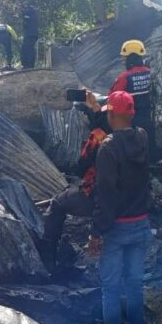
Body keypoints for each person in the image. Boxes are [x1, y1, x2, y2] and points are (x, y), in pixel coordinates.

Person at [86, 90, 152, 324]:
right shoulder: (143, 138)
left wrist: (97, 233)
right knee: (135, 286)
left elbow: (105, 196)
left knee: (110, 290)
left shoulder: (108, 149)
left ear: (112, 114)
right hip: (141, 224)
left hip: (116, 228)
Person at [41, 91, 110, 271]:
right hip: (130, 198)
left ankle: (48, 259)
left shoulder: (98, 136)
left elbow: (81, 165)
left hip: (101, 197)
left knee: (57, 203)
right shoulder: (136, 132)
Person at [110, 39, 154, 157]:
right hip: (152, 118)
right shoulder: (152, 73)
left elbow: (113, 98)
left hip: (132, 121)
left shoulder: (125, 77)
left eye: (125, 58)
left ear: (129, 58)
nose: (124, 61)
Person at [19, 0, 39, 68]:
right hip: (31, 33)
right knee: (26, 48)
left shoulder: (28, 10)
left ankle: (29, 66)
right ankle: (27, 65)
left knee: (28, 48)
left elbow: (27, 21)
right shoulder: (29, 9)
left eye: (22, 0)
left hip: (30, 33)